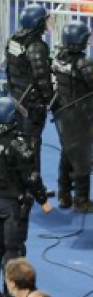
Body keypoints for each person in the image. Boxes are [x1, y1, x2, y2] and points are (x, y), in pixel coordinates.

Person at [0, 97, 53, 297]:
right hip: (13, 205)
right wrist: (42, 199)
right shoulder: (17, 144)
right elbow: (31, 177)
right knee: (13, 249)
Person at [51, 22, 93, 212]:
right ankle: (81, 199)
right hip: (81, 115)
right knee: (82, 156)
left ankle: (64, 195)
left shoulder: (59, 58)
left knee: (67, 153)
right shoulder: (83, 63)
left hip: (64, 112)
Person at [6, 5, 54, 138]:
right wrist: (50, 100)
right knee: (31, 141)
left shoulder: (13, 38)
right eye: (45, 20)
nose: (47, 22)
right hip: (32, 102)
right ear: (38, 23)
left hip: (15, 96)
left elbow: (9, 67)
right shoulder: (36, 46)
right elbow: (41, 77)